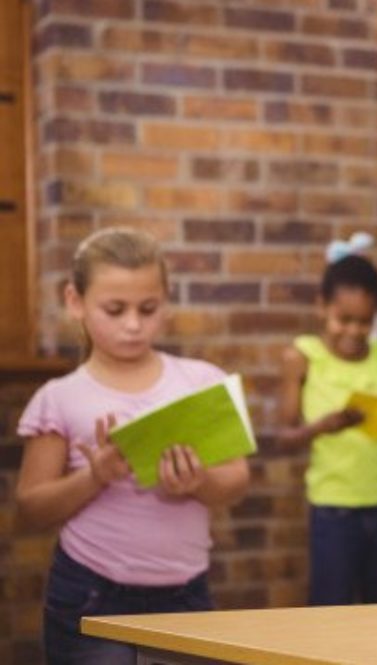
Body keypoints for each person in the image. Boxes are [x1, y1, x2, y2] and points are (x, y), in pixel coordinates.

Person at [15, 227, 251, 664]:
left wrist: (197, 482)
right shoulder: (60, 397)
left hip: (186, 596)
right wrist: (95, 477)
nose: (133, 324)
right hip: (90, 594)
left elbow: (236, 480)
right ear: (75, 302)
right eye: (115, 309)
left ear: (166, 300)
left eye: (148, 308)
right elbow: (31, 507)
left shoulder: (200, 382)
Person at [277, 238, 377, 606]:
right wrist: (324, 425)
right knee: (330, 606)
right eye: (343, 319)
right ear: (322, 307)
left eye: (364, 322)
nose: (353, 330)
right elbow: (283, 438)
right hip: (334, 509)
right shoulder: (303, 356)